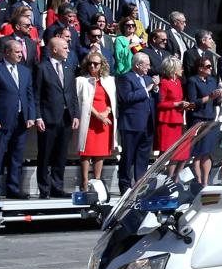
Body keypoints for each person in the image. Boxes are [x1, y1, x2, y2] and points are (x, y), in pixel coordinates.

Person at [0, 36, 39, 199]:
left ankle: (13, 187)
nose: (20, 55)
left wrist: (31, 116)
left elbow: (29, 95)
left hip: (21, 119)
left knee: (17, 156)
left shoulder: (25, 71)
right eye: (16, 52)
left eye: (21, 52)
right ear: (6, 53)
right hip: (1, 120)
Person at [34, 37, 80, 198]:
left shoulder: (68, 68)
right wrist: (38, 116)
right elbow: (37, 95)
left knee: (61, 155)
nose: (68, 50)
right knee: (45, 154)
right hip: (48, 118)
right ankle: (44, 188)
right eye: (65, 48)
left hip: (66, 118)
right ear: (54, 50)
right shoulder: (42, 68)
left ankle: (57, 186)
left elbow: (73, 94)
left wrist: (75, 115)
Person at [116, 53, 158, 193]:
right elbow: (126, 97)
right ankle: (125, 184)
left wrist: (156, 88)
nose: (149, 67)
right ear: (138, 65)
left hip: (147, 123)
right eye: (146, 65)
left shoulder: (147, 78)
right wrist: (146, 90)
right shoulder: (125, 78)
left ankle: (140, 185)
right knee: (128, 155)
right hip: (131, 123)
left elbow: (155, 98)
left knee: (143, 156)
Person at [75, 51, 118, 189]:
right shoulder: (81, 80)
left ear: (102, 65)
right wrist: (98, 115)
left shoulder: (109, 80)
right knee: (86, 151)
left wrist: (106, 112)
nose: (92, 66)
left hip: (105, 118)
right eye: (90, 63)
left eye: (96, 64)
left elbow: (112, 100)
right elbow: (83, 101)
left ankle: (97, 180)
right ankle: (85, 182)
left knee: (100, 152)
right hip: (89, 118)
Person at [185, 55, 222, 184]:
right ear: (200, 68)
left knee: (207, 152)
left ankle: (206, 181)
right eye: (207, 66)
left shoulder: (212, 81)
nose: (210, 68)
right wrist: (210, 97)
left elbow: (215, 102)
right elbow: (192, 102)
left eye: (211, 66)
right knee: (198, 152)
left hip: (210, 118)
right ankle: (198, 180)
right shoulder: (192, 81)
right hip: (197, 118)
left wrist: (220, 97)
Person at [155, 57, 193, 173]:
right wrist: (177, 104)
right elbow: (160, 104)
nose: (182, 69)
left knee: (175, 153)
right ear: (173, 69)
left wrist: (185, 105)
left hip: (177, 119)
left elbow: (178, 100)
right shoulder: (164, 83)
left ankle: (170, 177)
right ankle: (157, 176)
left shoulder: (178, 82)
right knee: (165, 152)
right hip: (167, 121)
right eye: (179, 67)